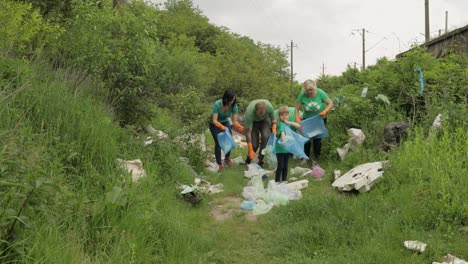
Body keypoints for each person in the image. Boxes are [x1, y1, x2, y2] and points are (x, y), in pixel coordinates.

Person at [295, 79, 334, 165]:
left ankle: (316, 159)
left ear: (314, 88)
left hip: (319, 119)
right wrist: (297, 118)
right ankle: (305, 158)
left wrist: (325, 111)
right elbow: (296, 109)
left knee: (317, 139)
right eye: (307, 90)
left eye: (311, 90)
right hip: (307, 120)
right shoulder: (302, 95)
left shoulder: (320, 92)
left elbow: (330, 103)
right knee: (307, 139)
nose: (309, 92)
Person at [209, 90, 244, 172]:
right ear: (226, 98)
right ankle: (219, 163)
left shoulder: (234, 106)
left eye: (233, 100)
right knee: (218, 143)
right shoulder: (217, 104)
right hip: (214, 123)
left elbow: (234, 121)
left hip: (225, 121)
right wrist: (221, 127)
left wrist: (240, 127)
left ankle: (227, 158)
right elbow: (214, 120)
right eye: (230, 100)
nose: (232, 102)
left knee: (229, 139)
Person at [244, 99, 276, 167]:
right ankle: (248, 160)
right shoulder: (249, 113)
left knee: (265, 136)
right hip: (254, 122)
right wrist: (250, 148)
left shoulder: (269, 107)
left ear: (266, 110)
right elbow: (248, 132)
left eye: (262, 114)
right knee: (255, 144)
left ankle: (259, 161)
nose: (260, 116)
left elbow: (273, 119)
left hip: (265, 120)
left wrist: (274, 126)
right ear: (255, 111)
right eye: (259, 114)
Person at [275, 105, 302, 183]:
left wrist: (289, 122)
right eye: (282, 115)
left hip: (286, 149)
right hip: (280, 148)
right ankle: (277, 181)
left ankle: (284, 180)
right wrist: (284, 142)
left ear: (289, 115)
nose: (284, 117)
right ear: (279, 116)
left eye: (286, 115)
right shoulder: (280, 124)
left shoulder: (287, 123)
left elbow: (299, 126)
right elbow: (282, 133)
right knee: (280, 165)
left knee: (285, 166)